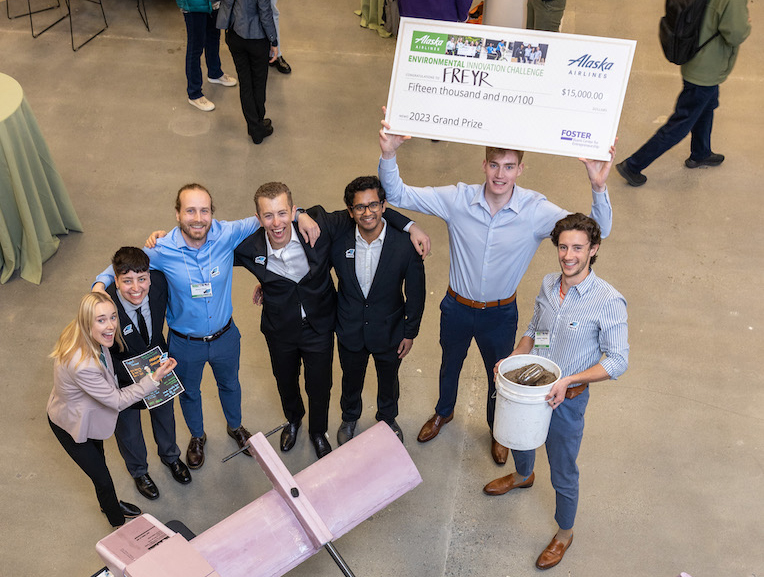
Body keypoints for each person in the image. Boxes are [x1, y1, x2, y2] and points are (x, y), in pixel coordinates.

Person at [378, 124, 614, 467]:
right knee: (449, 365)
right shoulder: (457, 199)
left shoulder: (536, 211)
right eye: (493, 164)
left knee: (500, 375)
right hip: (456, 307)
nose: (499, 174)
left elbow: (598, 231)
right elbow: (397, 194)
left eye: (508, 166)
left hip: (500, 314)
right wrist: (389, 152)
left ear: (520, 169)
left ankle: (497, 430)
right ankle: (444, 413)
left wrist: (598, 186)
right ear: (484, 164)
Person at [96, 185, 320, 469]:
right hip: (184, 342)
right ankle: (197, 436)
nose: (198, 218)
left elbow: (271, 216)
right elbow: (119, 267)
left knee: (230, 385)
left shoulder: (226, 233)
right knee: (190, 393)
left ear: (212, 214)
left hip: (226, 336)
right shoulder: (161, 249)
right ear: (177, 214)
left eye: (204, 211)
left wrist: (300, 214)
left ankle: (235, 427)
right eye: (190, 210)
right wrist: (99, 286)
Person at [234, 181, 429, 458]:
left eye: (283, 213)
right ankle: (293, 419)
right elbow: (207, 246)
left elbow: (370, 211)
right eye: (268, 215)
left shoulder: (319, 226)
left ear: (292, 211)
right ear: (258, 218)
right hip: (280, 328)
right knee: (285, 380)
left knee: (320, 384)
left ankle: (318, 431)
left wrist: (410, 225)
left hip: (320, 325)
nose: (276, 223)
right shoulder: (248, 247)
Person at [483, 214, 628, 570]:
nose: (568, 255)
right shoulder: (550, 284)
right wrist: (516, 356)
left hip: (568, 399)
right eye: (563, 246)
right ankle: (522, 476)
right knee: (519, 438)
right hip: (532, 385)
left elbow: (618, 361)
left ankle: (564, 533)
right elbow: (536, 329)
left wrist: (569, 380)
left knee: (563, 469)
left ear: (593, 250)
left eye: (578, 247)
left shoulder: (608, 301)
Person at [47, 293, 178, 527]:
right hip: (73, 424)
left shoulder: (83, 333)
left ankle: (106, 504)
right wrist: (154, 377)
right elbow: (117, 401)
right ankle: (117, 522)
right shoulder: (83, 365)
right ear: (87, 322)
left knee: (101, 464)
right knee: (103, 479)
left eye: (113, 317)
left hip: (88, 414)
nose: (110, 326)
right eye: (101, 320)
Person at [330, 175, 426, 446]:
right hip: (349, 328)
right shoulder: (338, 241)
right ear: (351, 211)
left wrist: (410, 332)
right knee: (351, 379)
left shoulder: (406, 245)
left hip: (390, 329)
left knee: (388, 379)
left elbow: (416, 293)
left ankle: (387, 418)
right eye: (360, 207)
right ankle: (349, 418)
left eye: (374, 205)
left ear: (384, 206)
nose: (368, 212)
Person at [616, 0, 750, 186]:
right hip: (707, 68)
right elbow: (735, 33)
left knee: (707, 106)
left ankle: (700, 153)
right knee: (681, 122)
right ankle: (633, 165)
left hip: (694, 58)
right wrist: (747, 24)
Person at [104, 247, 191, 501]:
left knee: (165, 416)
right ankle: (139, 471)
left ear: (150, 277)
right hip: (122, 376)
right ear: (116, 280)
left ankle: (171, 457)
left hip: (158, 365)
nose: (136, 288)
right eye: (127, 281)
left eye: (141, 279)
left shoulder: (160, 284)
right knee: (129, 430)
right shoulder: (104, 304)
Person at [215, 0, 278, 144]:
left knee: (245, 83)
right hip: (257, 38)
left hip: (235, 33)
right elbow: (265, 12)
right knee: (259, 82)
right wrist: (274, 41)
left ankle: (254, 126)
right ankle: (258, 127)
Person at [177, 0, 238, 113]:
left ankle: (214, 73)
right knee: (195, 47)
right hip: (194, 6)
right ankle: (194, 93)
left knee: (213, 37)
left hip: (213, 4)